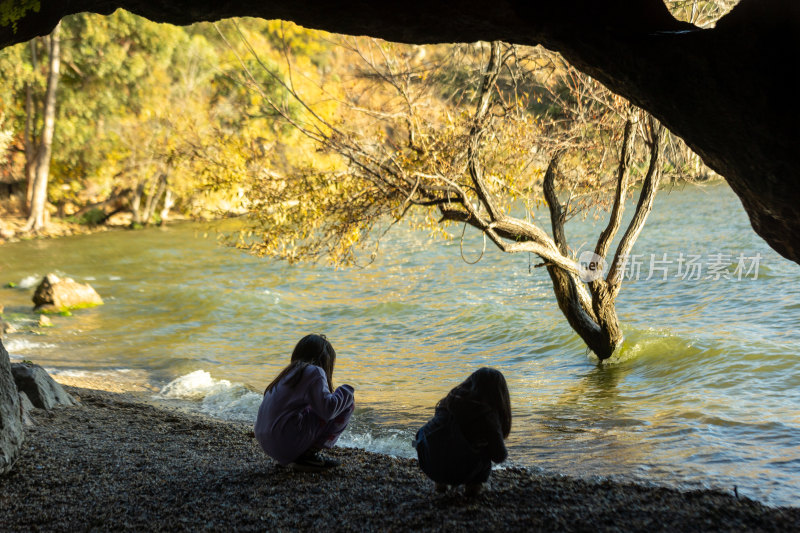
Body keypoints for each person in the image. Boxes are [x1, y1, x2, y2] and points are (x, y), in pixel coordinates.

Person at [254, 334, 355, 472]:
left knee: (310, 408)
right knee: (347, 402)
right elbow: (328, 410)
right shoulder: (315, 371)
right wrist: (347, 391)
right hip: (285, 441)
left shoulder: (289, 374)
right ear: (325, 360)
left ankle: (298, 454)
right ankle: (308, 456)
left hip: (267, 443)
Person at [413, 367, 511, 495]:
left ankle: (440, 483)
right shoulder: (486, 413)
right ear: (499, 395)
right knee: (484, 450)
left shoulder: (449, 400)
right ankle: (473, 487)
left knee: (444, 439)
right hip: (459, 470)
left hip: (427, 461)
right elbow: (499, 456)